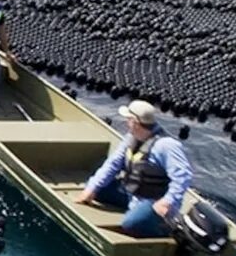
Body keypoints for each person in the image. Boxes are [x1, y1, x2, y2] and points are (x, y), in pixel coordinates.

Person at [78, 99, 193, 238]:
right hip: (131, 192)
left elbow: (183, 175)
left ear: (135, 122)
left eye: (128, 119)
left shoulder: (166, 146)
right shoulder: (130, 138)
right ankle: (135, 210)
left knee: (131, 224)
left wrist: (168, 201)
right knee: (97, 187)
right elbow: (112, 164)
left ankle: (167, 231)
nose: (126, 122)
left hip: (154, 200)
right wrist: (92, 189)